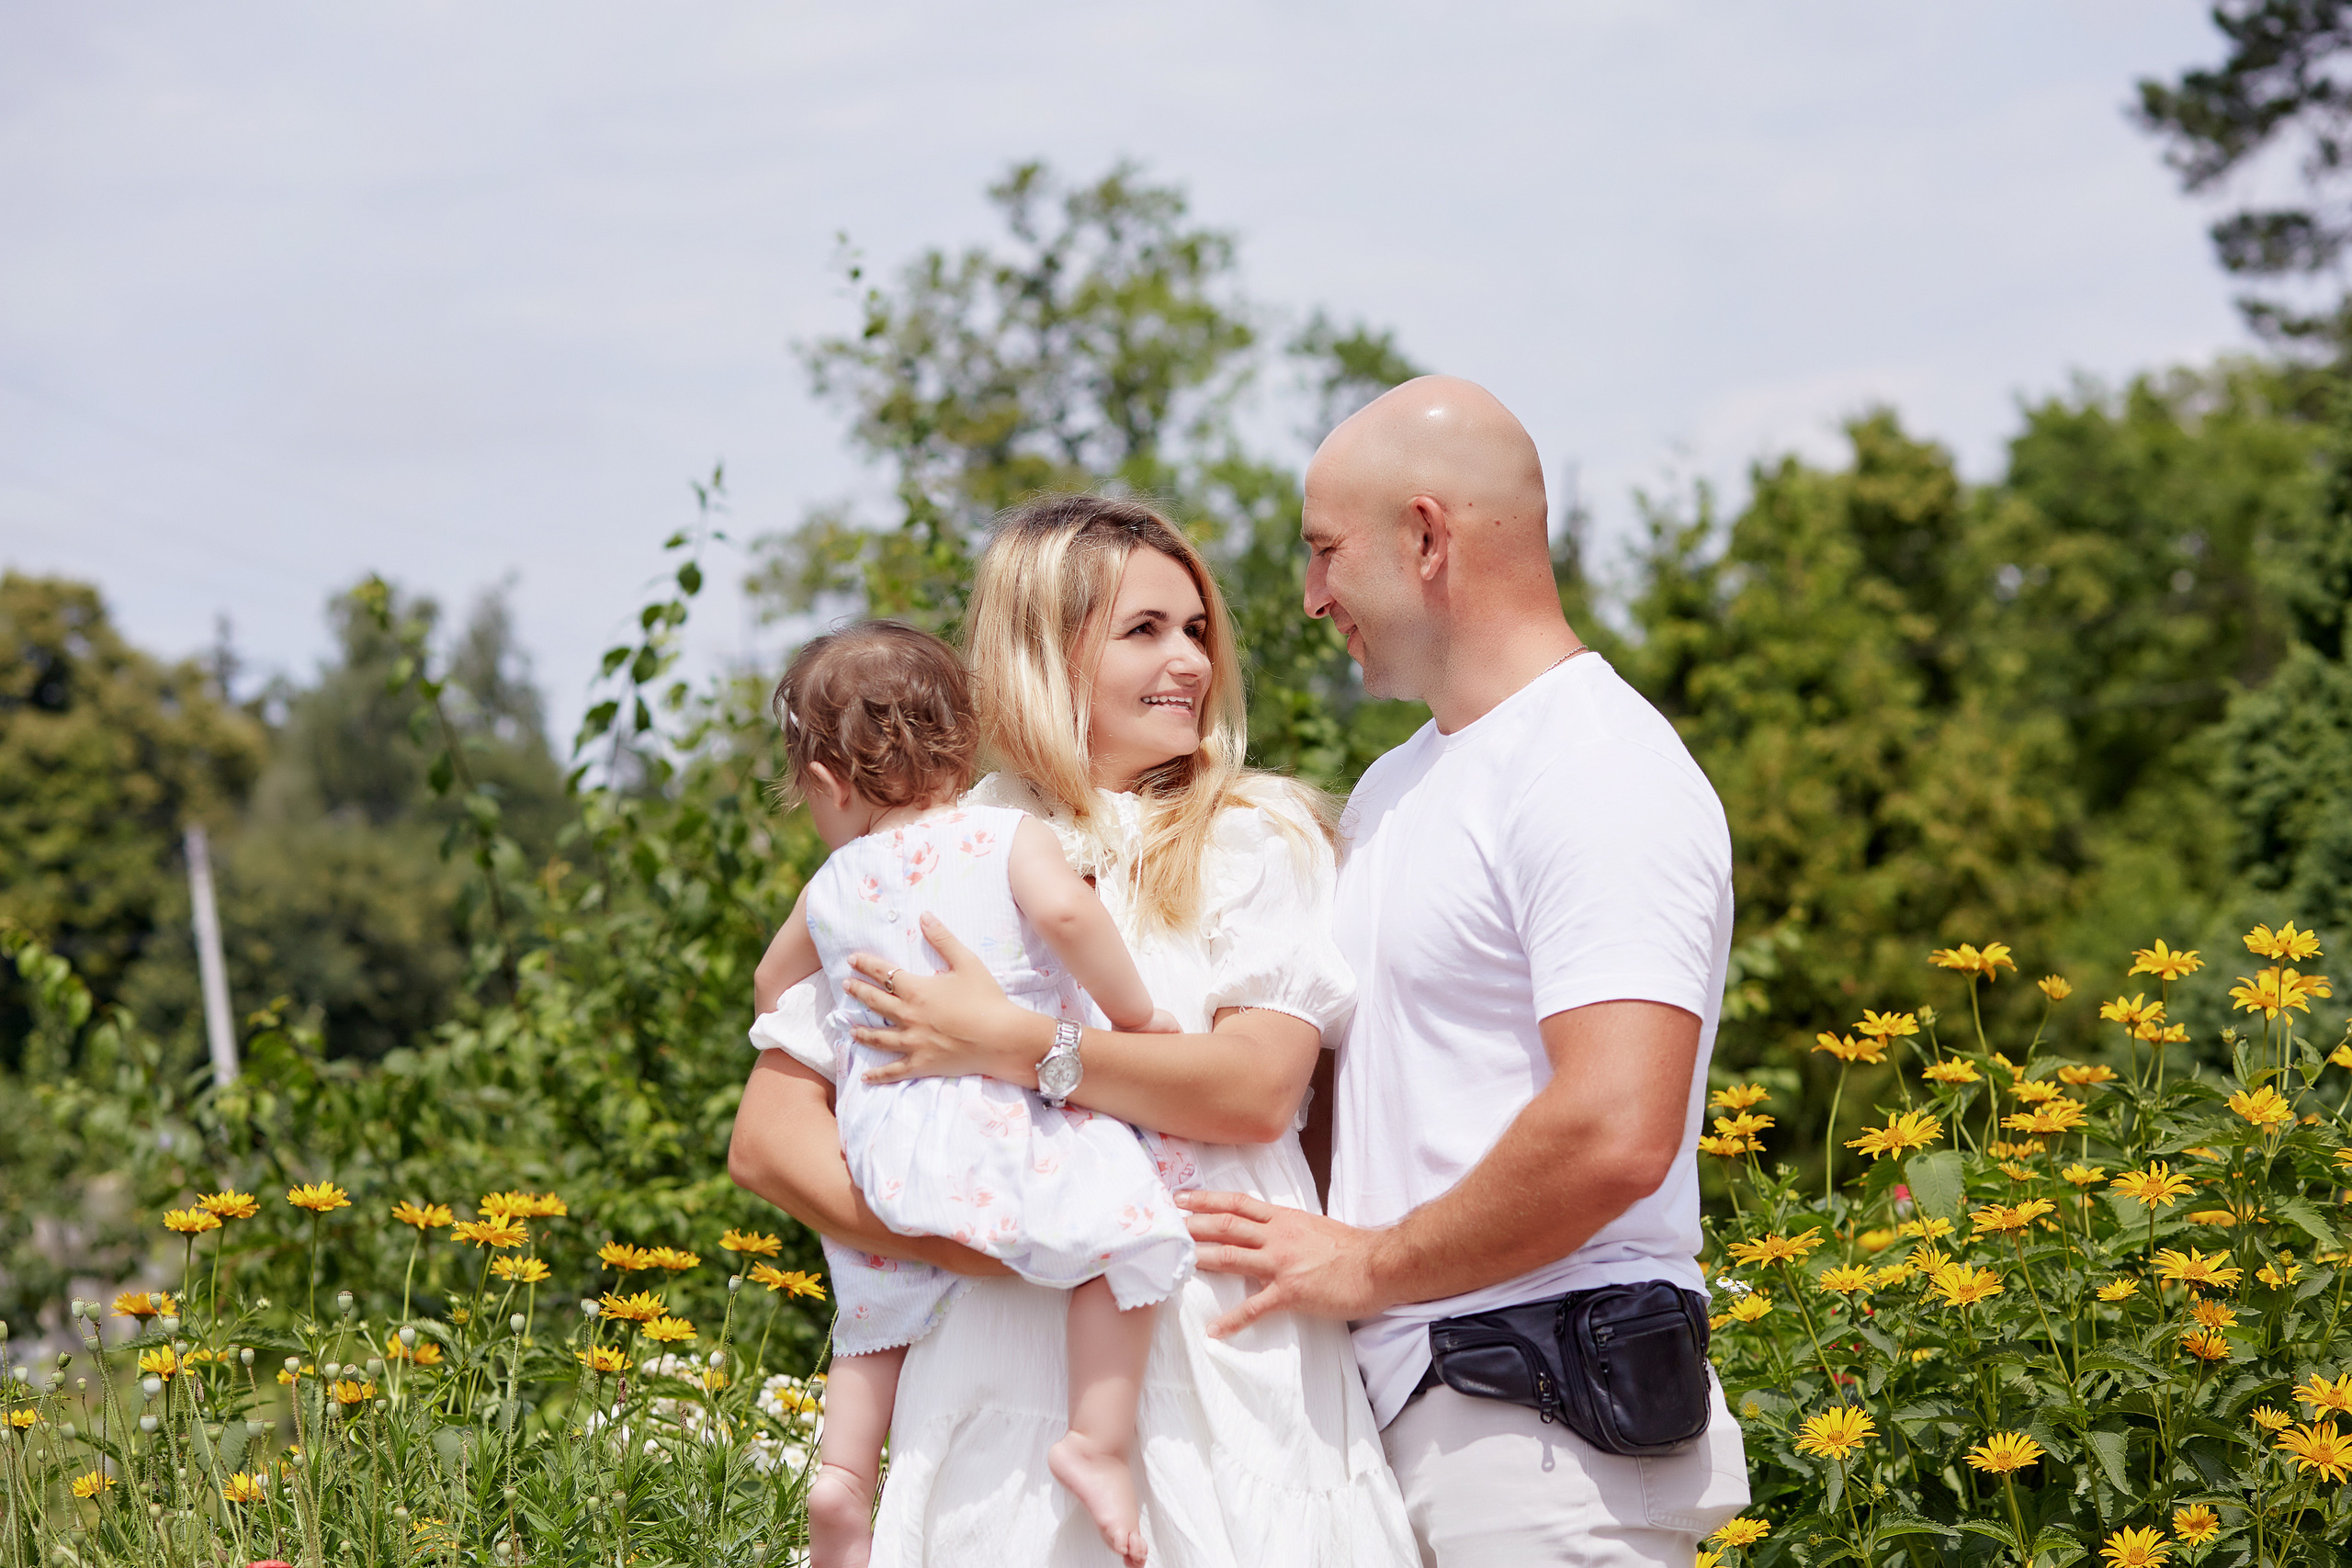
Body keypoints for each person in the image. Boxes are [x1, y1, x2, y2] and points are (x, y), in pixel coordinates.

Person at [729, 496, 1417, 1568]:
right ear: (1041, 653)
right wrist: (985, 1240)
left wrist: (1015, 1046)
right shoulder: (940, 844)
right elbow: (768, 1140)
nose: (1187, 660)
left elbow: (1253, 1090)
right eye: (1143, 631)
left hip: (1222, 1342)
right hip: (1003, 1365)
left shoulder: (1252, 834)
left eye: (1196, 630)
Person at [1178, 376, 1753, 1566]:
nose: (1310, 596)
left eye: (1326, 551)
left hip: (1545, 1441)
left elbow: (1613, 1124)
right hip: (1403, 1431)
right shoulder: (1397, 788)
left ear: (1427, 537)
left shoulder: (1599, 766)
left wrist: (1369, 1263)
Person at [750, 620, 1191, 1568]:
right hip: (991, 1117)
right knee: (1132, 1231)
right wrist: (1133, 1011)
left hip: (880, 1139)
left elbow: (773, 989)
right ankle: (1096, 1442)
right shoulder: (1004, 835)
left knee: (875, 1302)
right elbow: (1070, 913)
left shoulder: (830, 883)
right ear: (963, 741)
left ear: (826, 786)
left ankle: (839, 1479)